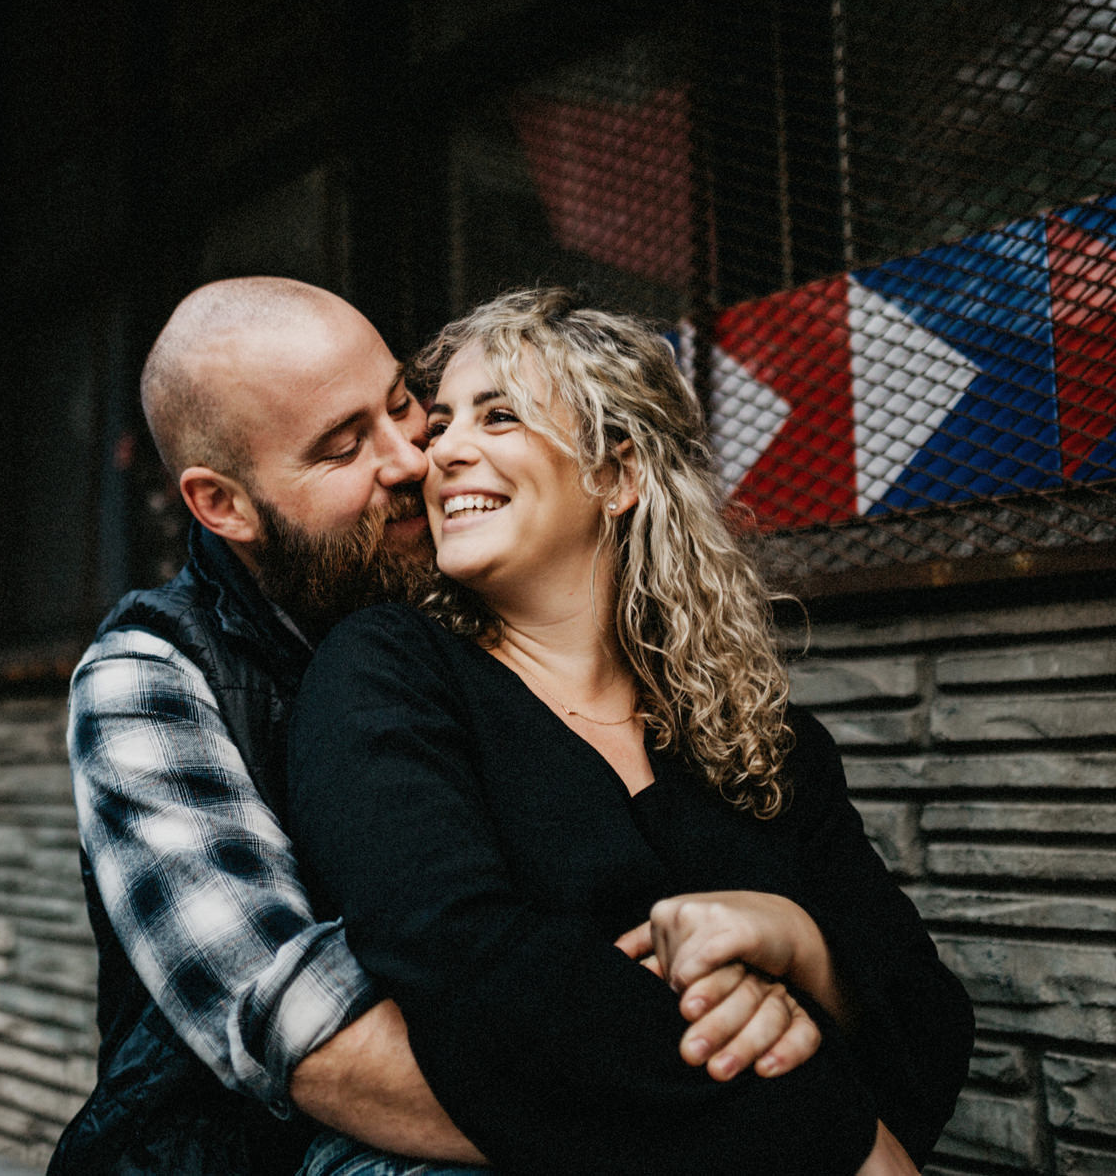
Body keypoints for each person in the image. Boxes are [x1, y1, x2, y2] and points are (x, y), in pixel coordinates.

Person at [286, 287, 974, 1176]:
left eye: (500, 416)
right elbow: (475, 979)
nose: (443, 452)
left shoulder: (761, 739)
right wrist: (825, 1134)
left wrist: (794, 939)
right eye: (442, 423)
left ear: (616, 474)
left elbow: (929, 1032)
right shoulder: (387, 674)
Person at [51, 277, 477, 1175]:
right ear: (225, 505)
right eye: (342, 446)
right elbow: (308, 1033)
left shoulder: (464, 594)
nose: (409, 460)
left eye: (403, 404)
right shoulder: (149, 676)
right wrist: (654, 1127)